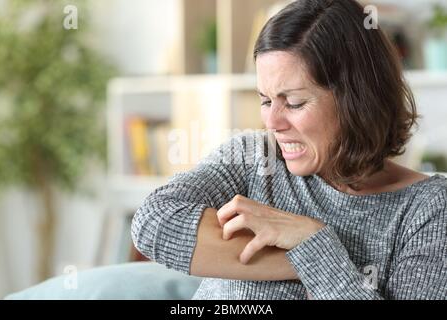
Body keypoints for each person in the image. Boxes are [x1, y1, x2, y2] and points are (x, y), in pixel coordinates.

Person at [131, 0, 447, 299]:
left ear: (357, 101)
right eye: (266, 100)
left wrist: (316, 244)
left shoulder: (428, 210)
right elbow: (153, 222)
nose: (272, 121)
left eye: (294, 103)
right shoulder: (252, 159)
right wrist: (302, 261)